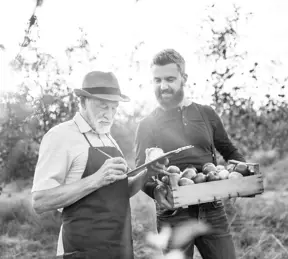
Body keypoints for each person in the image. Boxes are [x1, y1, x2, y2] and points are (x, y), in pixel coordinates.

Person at [31, 71, 166, 259]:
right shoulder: (61, 136)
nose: (109, 115)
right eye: (103, 106)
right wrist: (97, 179)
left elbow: (121, 191)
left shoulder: (108, 138)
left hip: (120, 249)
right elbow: (40, 201)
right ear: (83, 101)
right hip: (81, 251)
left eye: (114, 108)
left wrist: (146, 173)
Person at [135, 49, 246, 259]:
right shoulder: (147, 124)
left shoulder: (206, 114)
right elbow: (141, 169)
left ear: (184, 78)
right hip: (173, 212)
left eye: (170, 79)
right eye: (157, 80)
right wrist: (156, 191)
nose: (163, 86)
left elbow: (229, 150)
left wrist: (241, 175)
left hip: (212, 208)